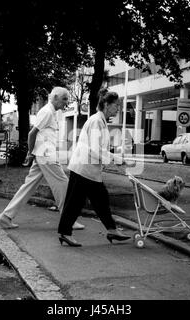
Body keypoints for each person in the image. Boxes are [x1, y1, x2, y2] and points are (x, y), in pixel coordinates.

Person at [0, 87, 85, 230]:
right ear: (55, 97)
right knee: (63, 184)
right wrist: (29, 153)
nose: (66, 103)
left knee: (29, 186)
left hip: (42, 155)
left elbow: (38, 135)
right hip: (46, 156)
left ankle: (6, 217)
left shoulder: (51, 112)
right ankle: (68, 220)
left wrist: (32, 153)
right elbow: (32, 134)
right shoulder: (47, 112)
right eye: (64, 99)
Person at [57, 88, 131, 246]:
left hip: (88, 170)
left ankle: (112, 230)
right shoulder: (97, 121)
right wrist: (115, 158)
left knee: (101, 200)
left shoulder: (100, 121)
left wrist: (112, 158)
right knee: (75, 203)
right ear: (106, 104)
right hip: (84, 169)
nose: (118, 108)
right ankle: (65, 232)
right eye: (116, 105)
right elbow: (95, 149)